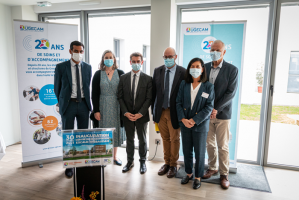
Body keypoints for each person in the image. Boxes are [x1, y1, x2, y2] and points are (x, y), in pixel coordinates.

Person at [202, 40, 238, 189]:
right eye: (212, 50)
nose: (214, 52)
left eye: (217, 50)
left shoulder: (232, 69)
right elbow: (202, 89)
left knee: (222, 146)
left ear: (224, 52)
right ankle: (212, 167)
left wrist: (216, 108)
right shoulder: (204, 67)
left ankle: (224, 174)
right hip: (207, 114)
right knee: (209, 143)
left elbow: (231, 93)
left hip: (223, 114)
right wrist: (207, 107)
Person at [54, 41, 92, 178]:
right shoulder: (61, 67)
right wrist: (63, 102)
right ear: (70, 51)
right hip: (68, 105)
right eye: (76, 51)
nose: (79, 54)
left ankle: (81, 163)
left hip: (83, 105)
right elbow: (56, 88)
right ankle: (69, 165)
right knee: (68, 137)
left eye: (81, 51)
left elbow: (87, 86)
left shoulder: (88, 67)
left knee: (82, 137)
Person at [176, 58, 215, 189]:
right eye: (192, 66)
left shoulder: (208, 86)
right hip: (185, 124)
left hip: (200, 125)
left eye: (197, 66)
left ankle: (198, 177)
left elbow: (209, 107)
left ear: (203, 69)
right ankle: (188, 173)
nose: (195, 68)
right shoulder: (183, 84)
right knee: (187, 151)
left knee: (199, 153)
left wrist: (194, 120)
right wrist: (183, 120)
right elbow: (178, 103)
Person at [152, 47, 186, 178]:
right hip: (160, 112)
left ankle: (173, 165)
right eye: (165, 57)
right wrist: (154, 113)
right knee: (165, 138)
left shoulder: (182, 72)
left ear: (175, 57)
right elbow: (154, 94)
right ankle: (166, 163)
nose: (167, 59)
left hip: (175, 112)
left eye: (170, 56)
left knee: (175, 139)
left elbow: (185, 94)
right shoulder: (157, 71)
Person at [118, 52, 152, 174]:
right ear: (130, 62)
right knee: (129, 139)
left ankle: (142, 162)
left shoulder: (148, 79)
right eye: (134, 61)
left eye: (138, 61)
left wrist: (140, 113)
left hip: (141, 116)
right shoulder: (123, 78)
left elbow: (149, 98)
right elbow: (120, 97)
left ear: (142, 62)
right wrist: (126, 112)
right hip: (127, 116)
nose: (136, 63)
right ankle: (129, 161)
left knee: (142, 139)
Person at [92, 50, 125, 166]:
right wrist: (96, 110)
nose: (109, 59)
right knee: (103, 132)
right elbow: (94, 93)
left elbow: (124, 92)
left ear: (114, 59)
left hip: (117, 106)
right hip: (103, 106)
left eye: (111, 57)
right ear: (103, 59)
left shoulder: (121, 73)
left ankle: (114, 157)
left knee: (115, 131)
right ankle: (104, 157)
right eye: (106, 57)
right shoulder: (98, 74)